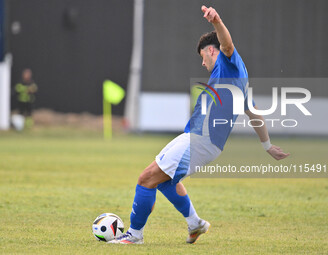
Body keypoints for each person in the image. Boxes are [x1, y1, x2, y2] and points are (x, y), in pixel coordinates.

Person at [111, 5, 289, 244]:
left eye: (202, 58)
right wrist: (267, 146)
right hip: (205, 142)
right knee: (165, 182)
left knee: (146, 178)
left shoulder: (228, 63)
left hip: (199, 140)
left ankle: (134, 235)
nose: (203, 64)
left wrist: (217, 21)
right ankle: (195, 224)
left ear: (210, 51)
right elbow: (254, 113)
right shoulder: (239, 79)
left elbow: (227, 45)